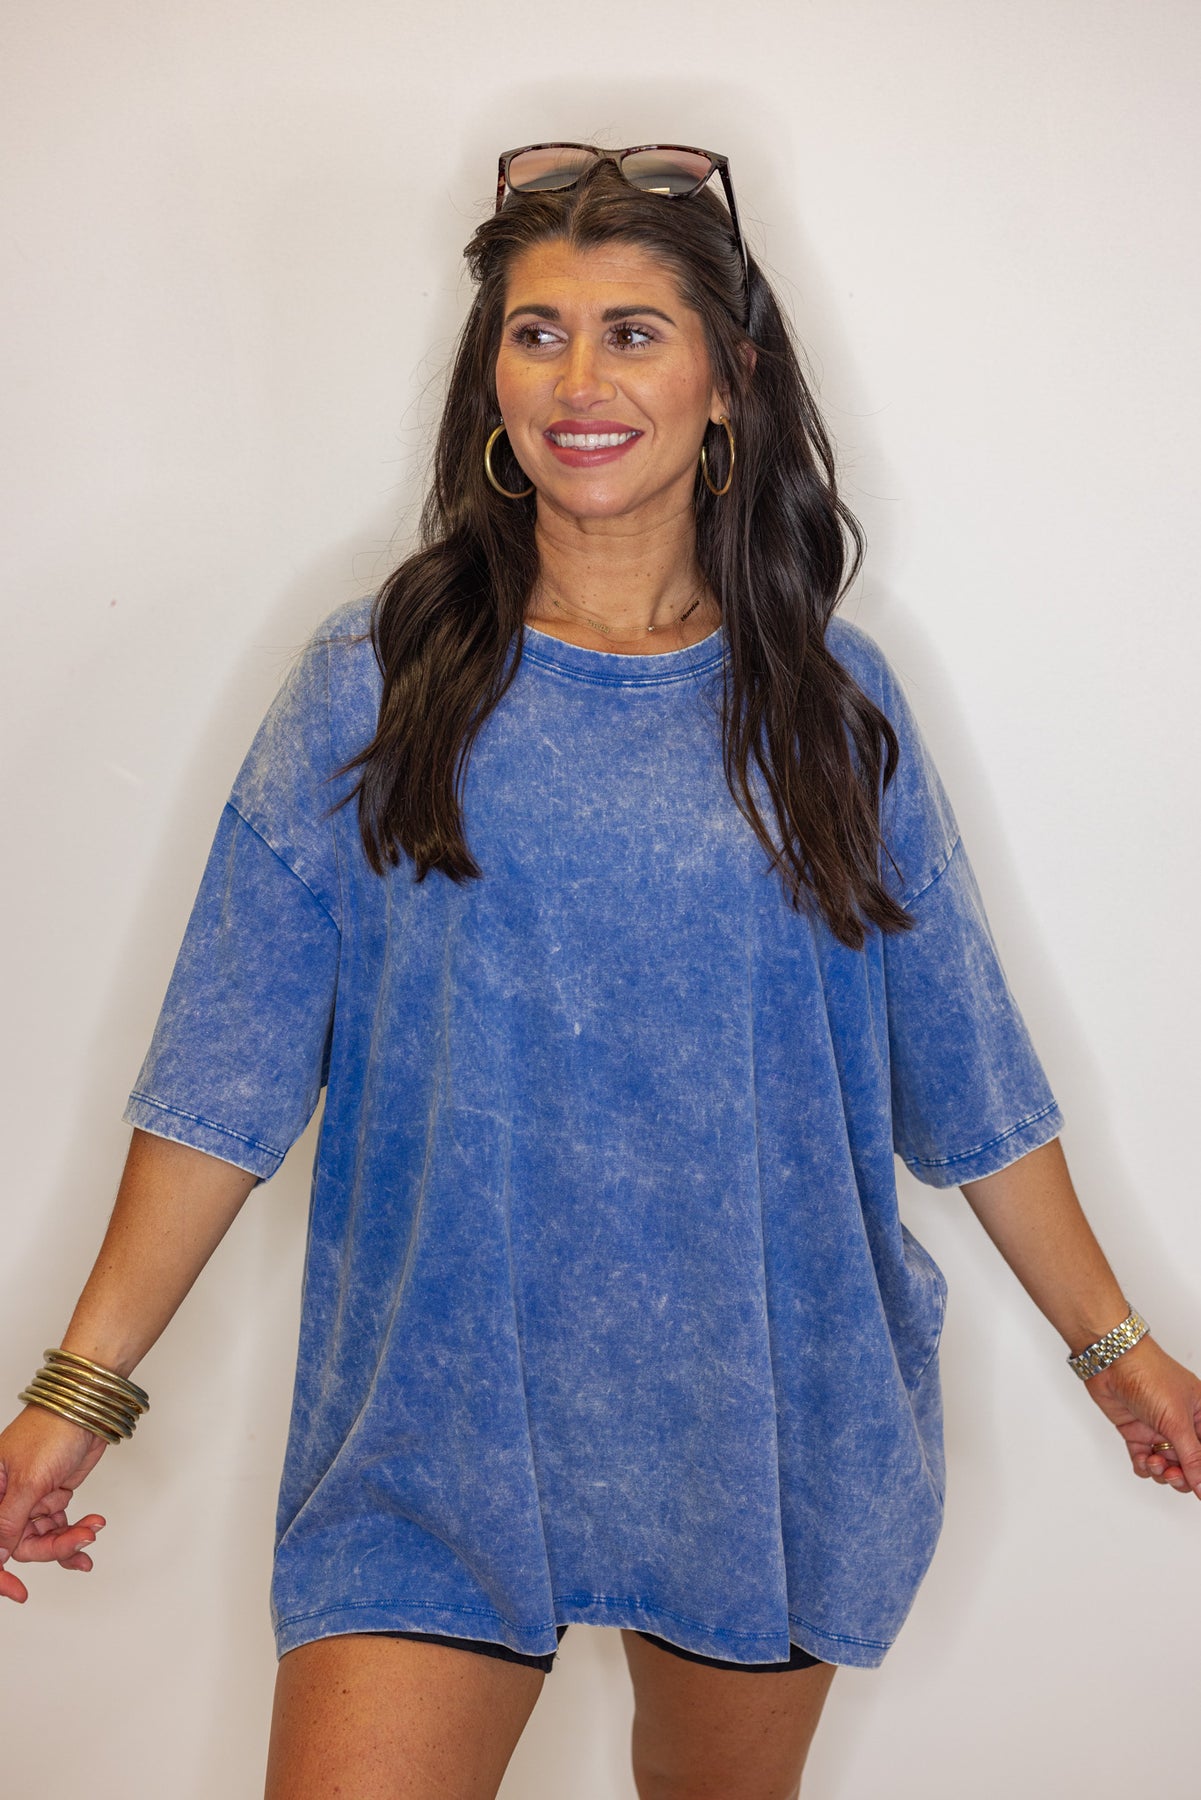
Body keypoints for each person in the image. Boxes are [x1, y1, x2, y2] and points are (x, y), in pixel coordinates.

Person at [1, 142, 1199, 1800]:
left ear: (729, 381)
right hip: (434, 1426)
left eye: (633, 332)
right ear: (489, 379)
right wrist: (76, 1392)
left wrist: (1120, 1355)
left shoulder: (828, 711)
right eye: (536, 331)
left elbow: (967, 1077)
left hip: (758, 1409)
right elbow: (221, 1078)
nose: (578, 380)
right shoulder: (373, 683)